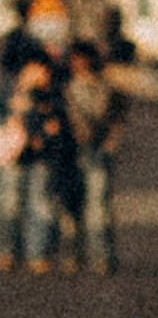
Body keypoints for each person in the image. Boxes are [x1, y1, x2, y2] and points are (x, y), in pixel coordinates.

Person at [1, 57, 74, 273]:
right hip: (12, 157)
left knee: (41, 204)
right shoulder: (9, 93)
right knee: (8, 204)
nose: (43, 75)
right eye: (38, 70)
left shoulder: (52, 95)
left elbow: (59, 125)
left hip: (41, 158)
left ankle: (38, 254)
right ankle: (6, 252)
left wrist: (44, 131)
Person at [61, 43, 125, 274]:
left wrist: (111, 143)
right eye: (76, 60)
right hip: (71, 154)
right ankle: (71, 256)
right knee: (71, 206)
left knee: (99, 205)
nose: (81, 65)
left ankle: (102, 257)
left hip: (98, 152)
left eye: (84, 59)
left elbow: (117, 120)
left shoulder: (107, 89)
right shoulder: (64, 90)